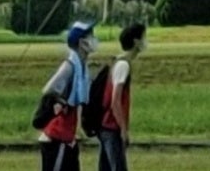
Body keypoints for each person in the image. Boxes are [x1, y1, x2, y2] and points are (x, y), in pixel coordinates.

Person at [38, 20, 98, 171]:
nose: (94, 39)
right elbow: (48, 90)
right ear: (82, 42)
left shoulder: (83, 67)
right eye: (91, 36)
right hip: (56, 137)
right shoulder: (70, 67)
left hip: (67, 137)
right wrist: (61, 102)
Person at [95, 23, 142, 171]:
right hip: (111, 127)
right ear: (136, 41)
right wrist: (123, 129)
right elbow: (115, 101)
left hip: (106, 127)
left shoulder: (117, 62)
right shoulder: (123, 66)